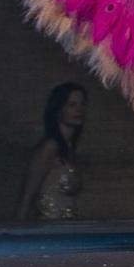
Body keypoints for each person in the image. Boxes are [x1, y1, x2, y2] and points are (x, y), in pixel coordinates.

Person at [17, 82, 85, 221]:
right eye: (71, 105)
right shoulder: (50, 147)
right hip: (49, 228)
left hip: (68, 228)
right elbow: (28, 195)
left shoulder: (68, 148)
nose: (79, 110)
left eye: (82, 104)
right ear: (58, 109)